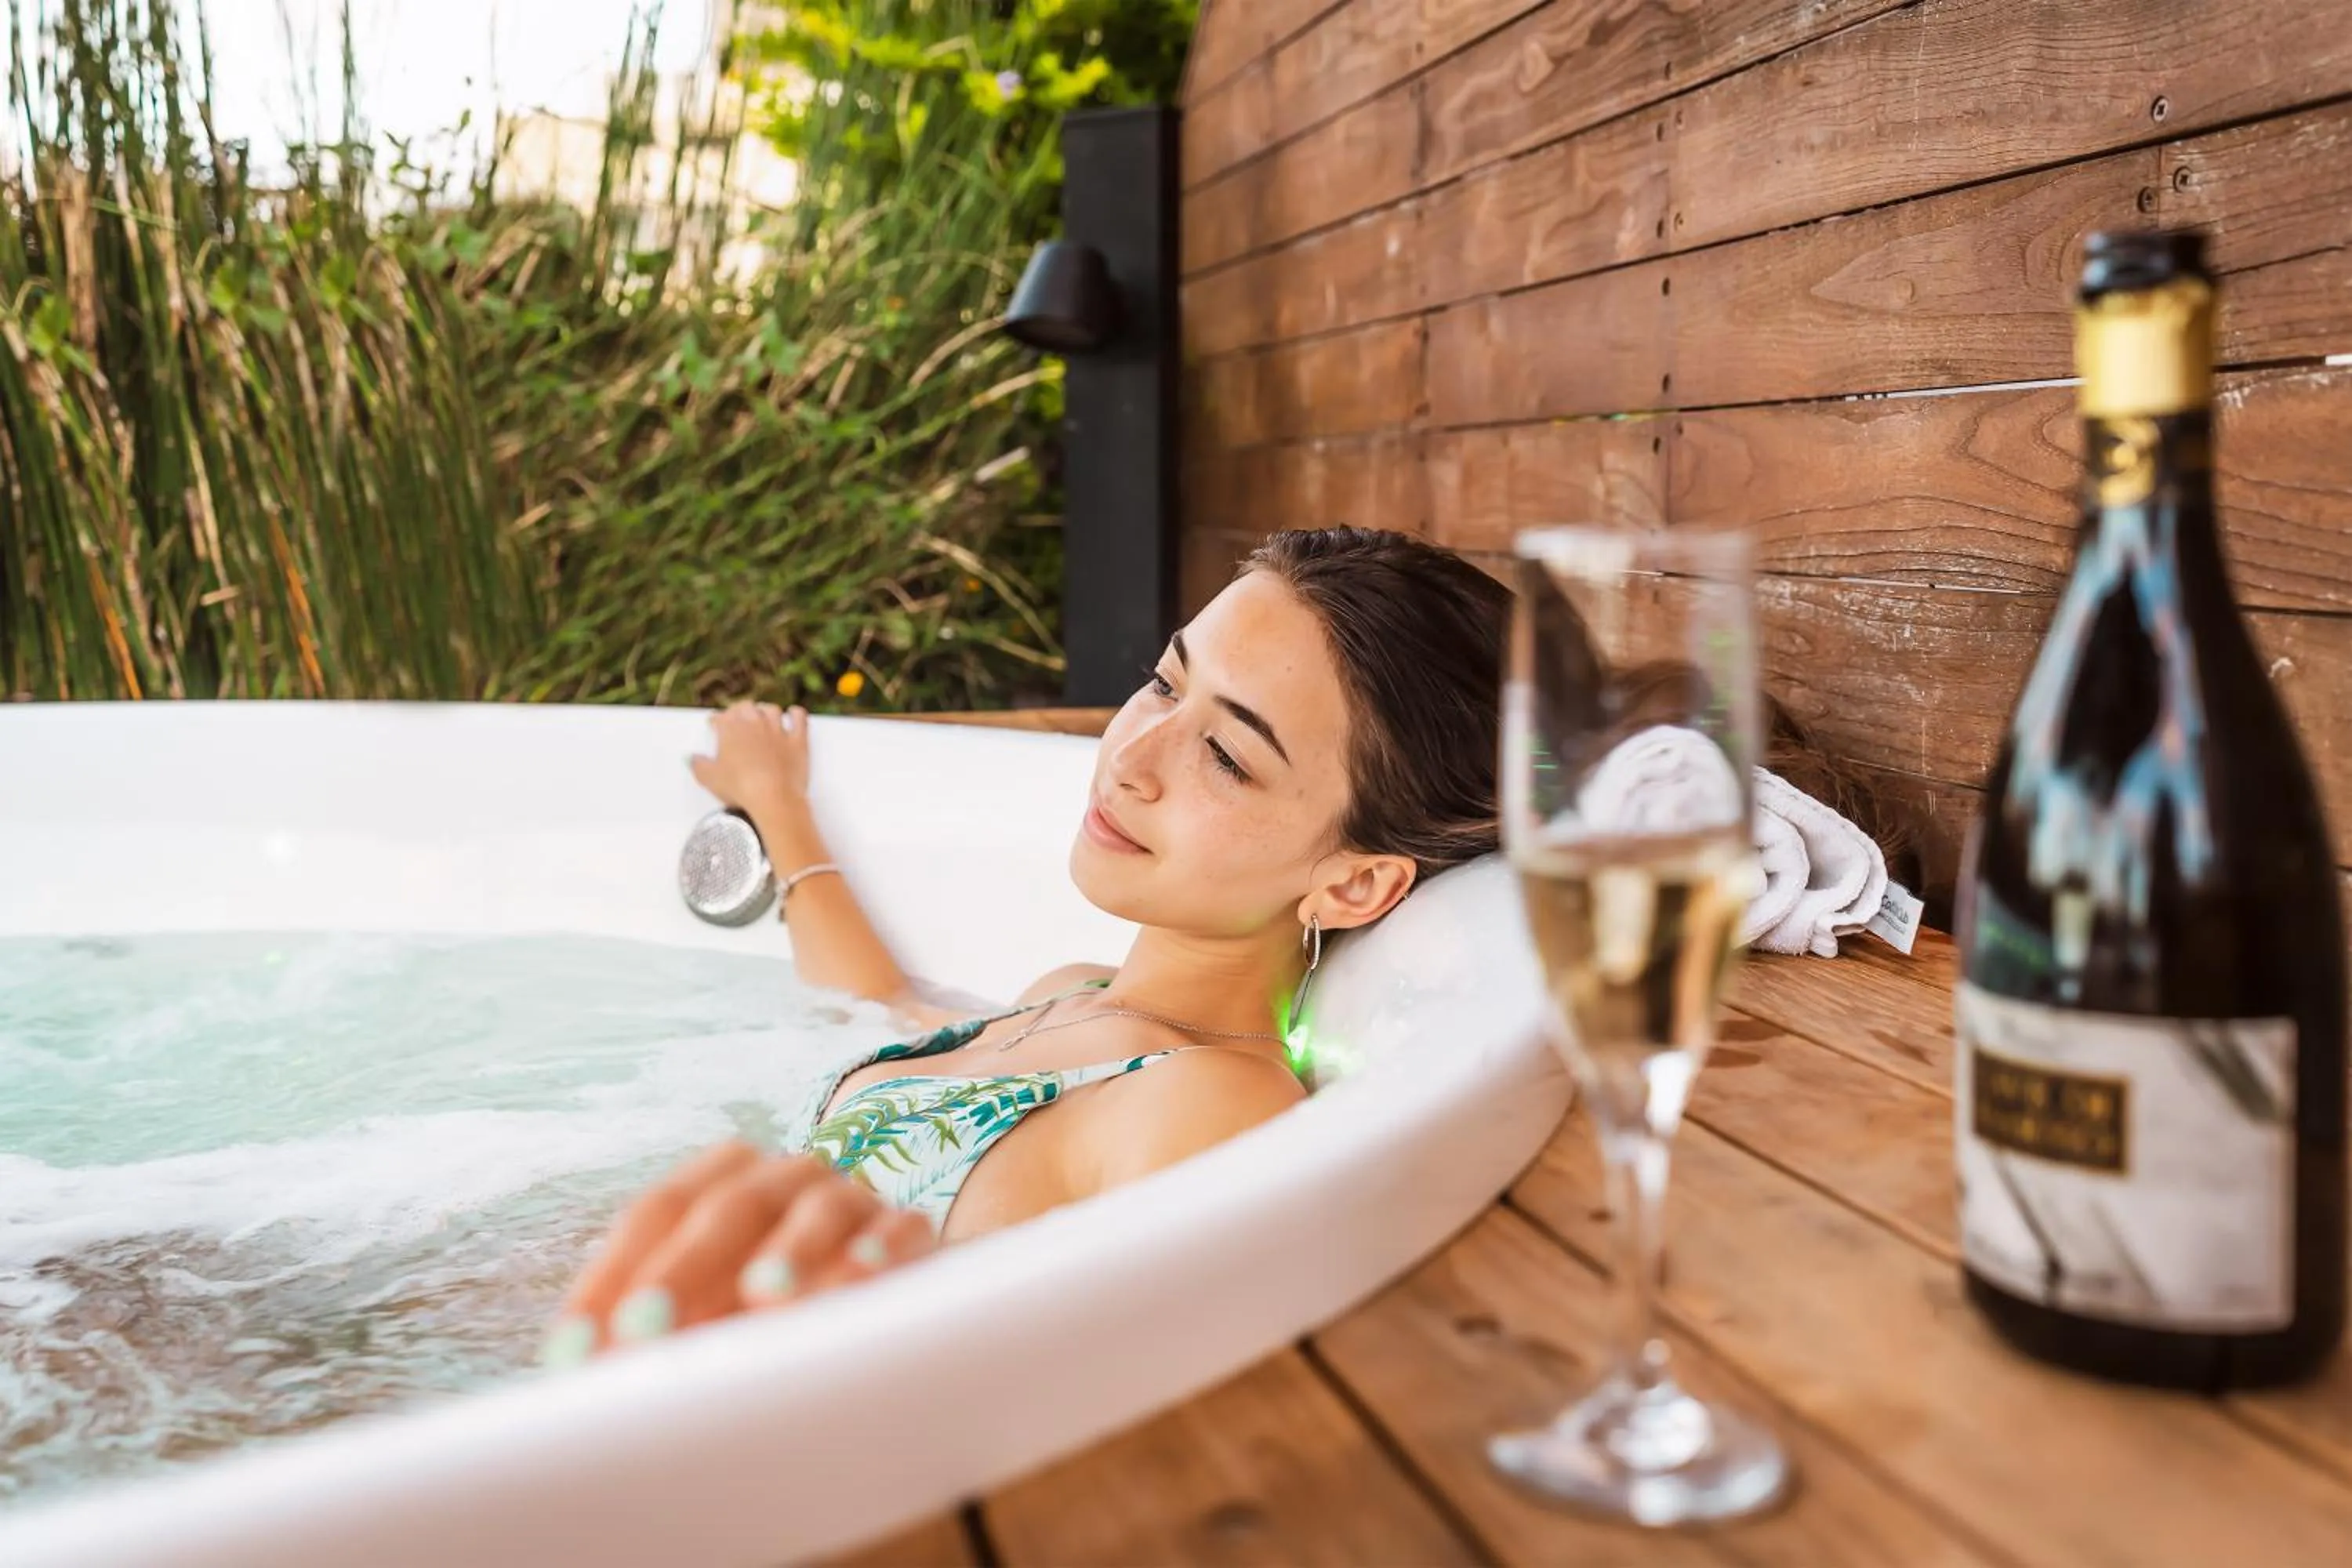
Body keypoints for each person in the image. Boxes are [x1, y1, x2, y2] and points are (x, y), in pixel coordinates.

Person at [538, 527, 1512, 1366]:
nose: (1130, 758)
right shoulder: (1076, 994)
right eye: (1165, 684)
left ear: (1352, 883)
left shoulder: (1208, 1104)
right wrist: (781, 809)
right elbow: (883, 1001)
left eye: (1225, 755)